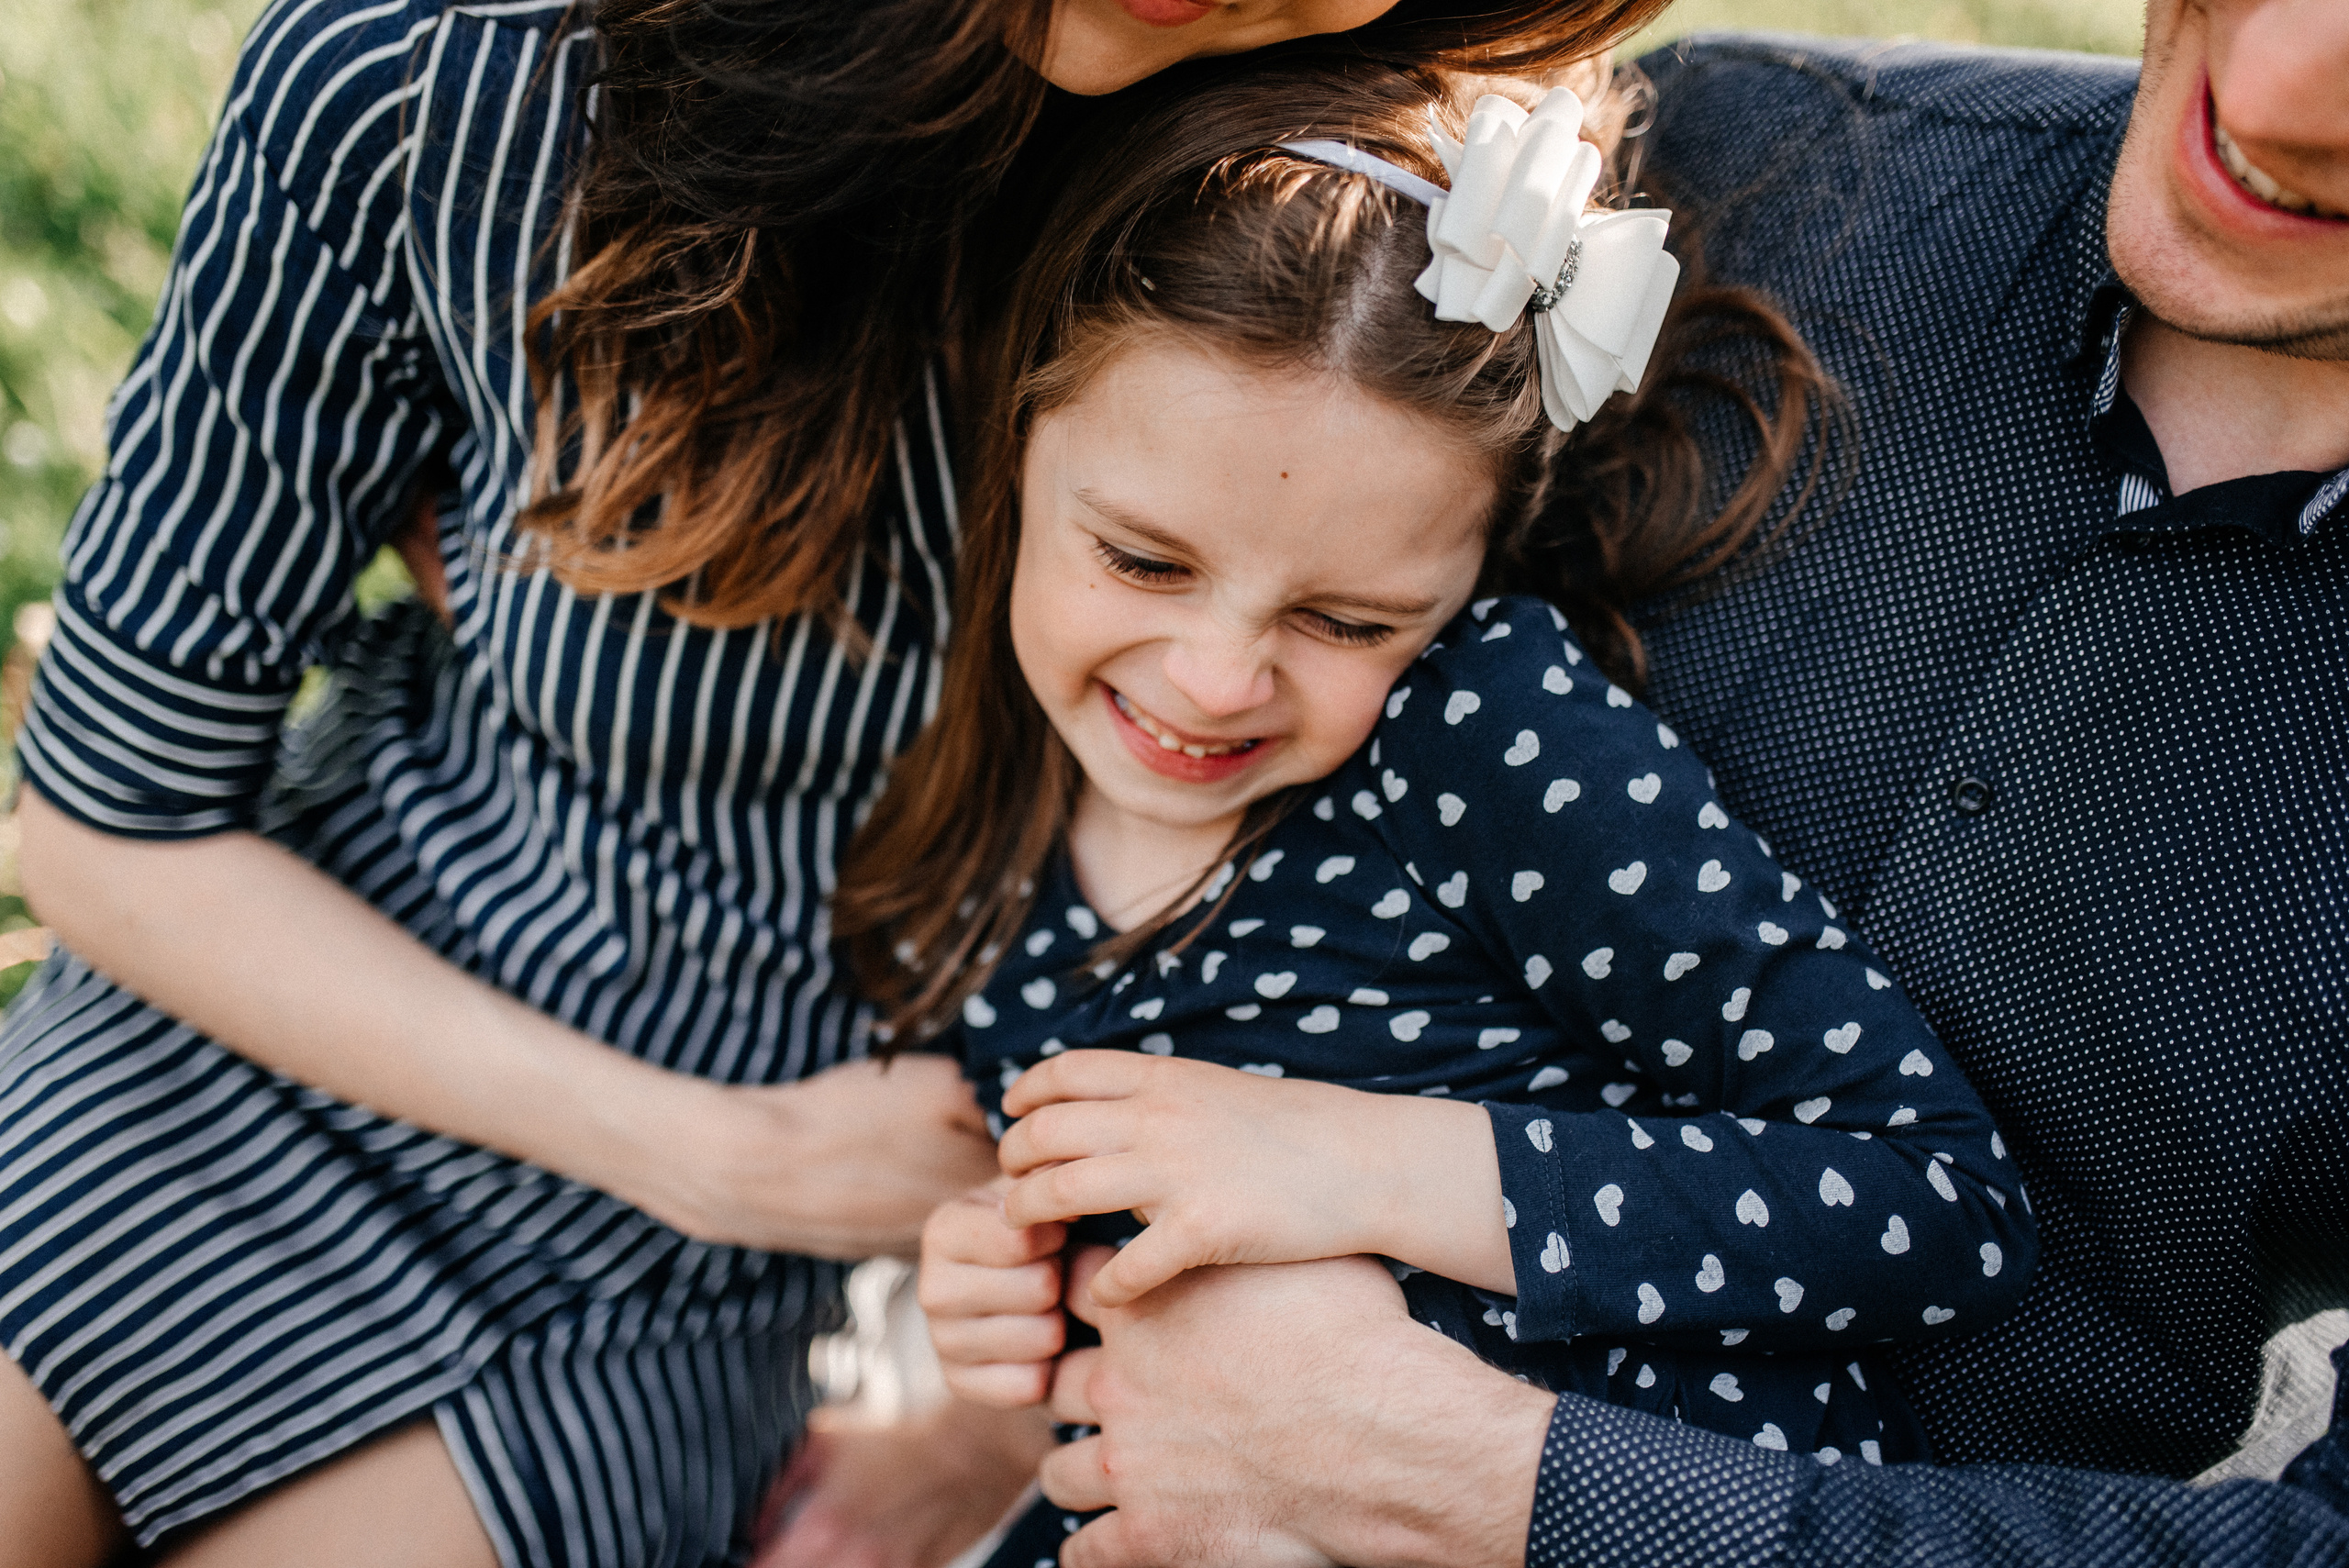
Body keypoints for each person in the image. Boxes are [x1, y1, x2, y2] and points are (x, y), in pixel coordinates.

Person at [0, 1, 1684, 1564]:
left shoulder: (1400, 243)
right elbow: (98, 825)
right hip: (240, 1055)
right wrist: (721, 1153)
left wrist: (986, 1417)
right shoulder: (450, 86)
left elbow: (1371, 943)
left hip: (672, 1304)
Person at [919, 0, 2349, 1563]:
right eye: (1143, 559)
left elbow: (1926, 1201)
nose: (1213, 673)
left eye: (1350, 619)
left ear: (1464, 573)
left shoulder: (1473, 723)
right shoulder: (1761, 166)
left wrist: (1389, 1315)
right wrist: (1012, 1284)